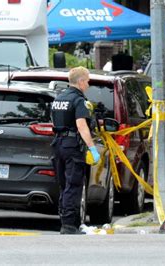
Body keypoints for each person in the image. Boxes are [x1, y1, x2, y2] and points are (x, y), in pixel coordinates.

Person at [51, 66, 100, 235]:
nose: (88, 84)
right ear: (80, 82)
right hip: (72, 146)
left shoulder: (59, 98)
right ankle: (69, 225)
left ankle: (67, 221)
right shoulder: (79, 100)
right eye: (87, 81)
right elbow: (81, 125)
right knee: (73, 185)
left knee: (64, 185)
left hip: (58, 144)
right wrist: (93, 148)